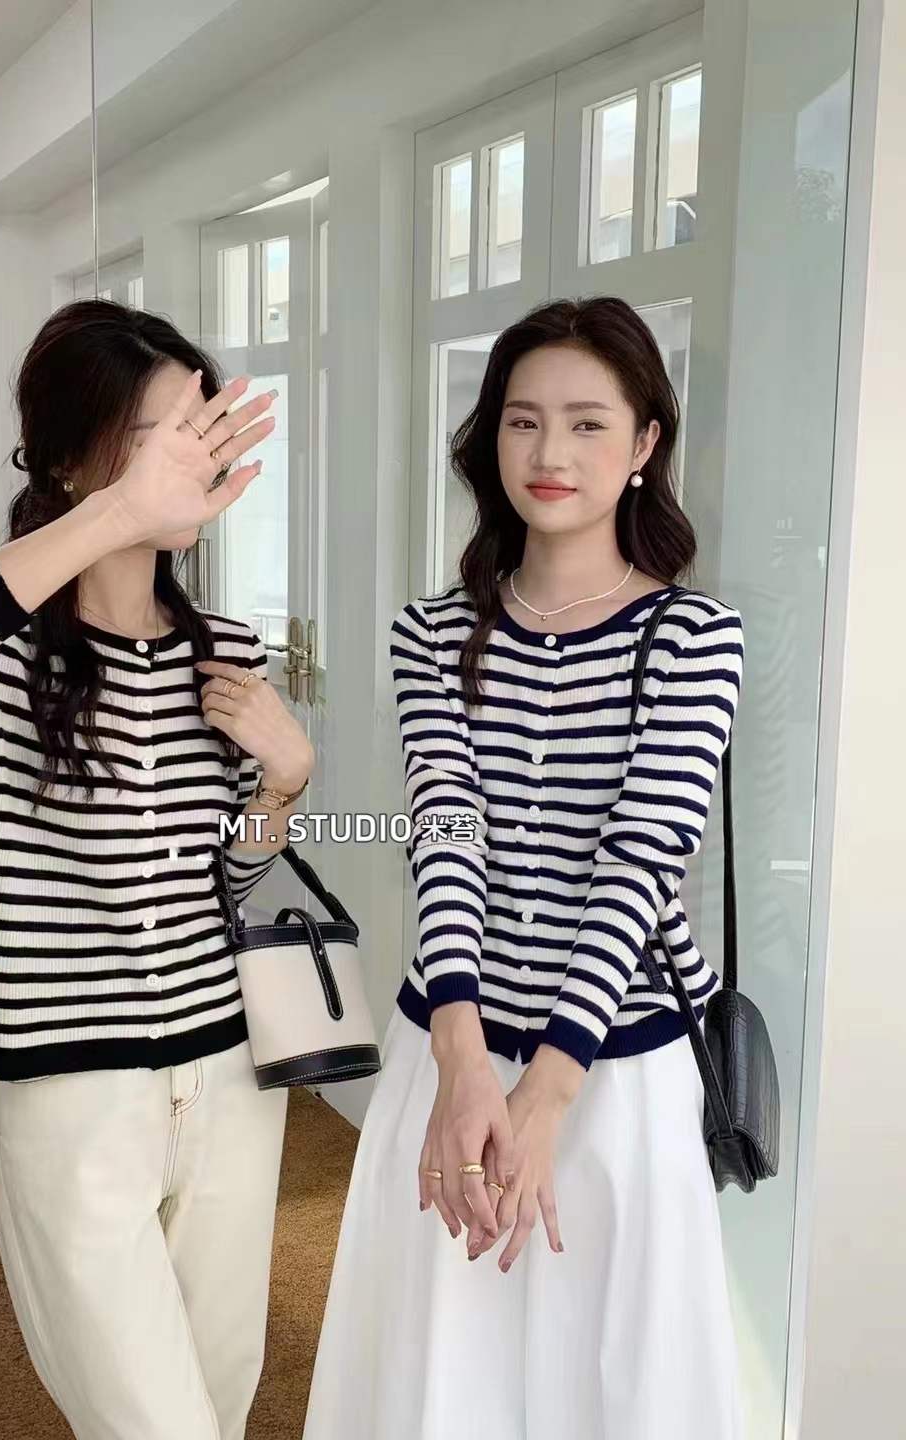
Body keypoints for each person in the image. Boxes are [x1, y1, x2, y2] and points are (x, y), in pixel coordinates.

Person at [303, 296, 745, 1439]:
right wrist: (463, 1064)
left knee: (613, 1381)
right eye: (523, 419)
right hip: (449, 1044)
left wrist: (544, 1095)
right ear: (489, 436)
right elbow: (446, 834)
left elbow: (641, 863)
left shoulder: (692, 636)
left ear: (645, 444)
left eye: (590, 423)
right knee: (443, 1370)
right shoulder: (432, 631)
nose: (552, 452)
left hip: (618, 1066)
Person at [0, 300, 315, 1440]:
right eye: (161, 439)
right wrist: (115, 517)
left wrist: (282, 787)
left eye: (202, 431)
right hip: (69, 1089)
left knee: (219, 1402)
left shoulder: (226, 651)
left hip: (230, 1074)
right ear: (69, 460)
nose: (193, 460)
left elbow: (225, 890)